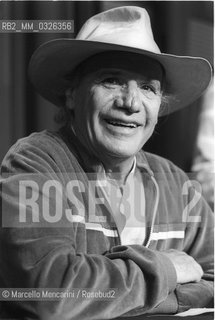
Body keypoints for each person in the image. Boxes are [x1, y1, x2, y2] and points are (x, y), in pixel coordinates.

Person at [0, 6, 213, 320]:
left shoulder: (174, 181)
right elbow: (51, 291)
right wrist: (166, 269)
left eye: (148, 88)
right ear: (72, 94)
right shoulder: (35, 162)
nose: (130, 102)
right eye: (112, 80)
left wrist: (119, 299)